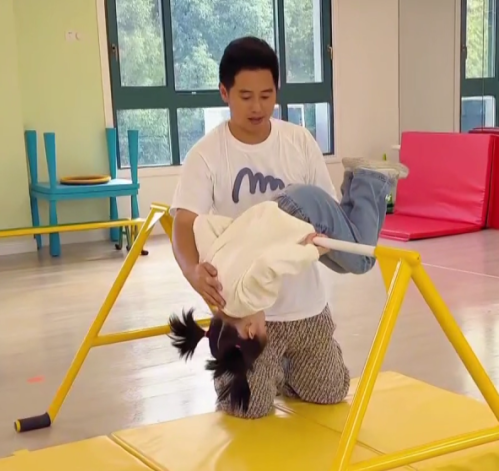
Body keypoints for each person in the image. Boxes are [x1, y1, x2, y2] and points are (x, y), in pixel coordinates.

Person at [167, 35, 405, 418]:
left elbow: (325, 213)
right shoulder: (207, 154)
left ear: (277, 91)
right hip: (258, 316)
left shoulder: (297, 141)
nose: (257, 107)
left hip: (305, 304)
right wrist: (193, 270)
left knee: (330, 390)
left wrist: (313, 245)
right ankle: (272, 371)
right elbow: (185, 222)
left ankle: (367, 180)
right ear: (224, 93)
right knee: (247, 408)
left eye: (266, 95)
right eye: (246, 96)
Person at [169, 157, 406, 416]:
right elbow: (202, 224)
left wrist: (311, 251)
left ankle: (371, 179)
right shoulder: (217, 280)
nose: (264, 323)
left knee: (361, 259)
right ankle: (354, 180)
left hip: (305, 212)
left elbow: (271, 263)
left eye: (263, 329)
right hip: (285, 202)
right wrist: (240, 233)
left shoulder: (247, 299)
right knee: (342, 261)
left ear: (250, 330)